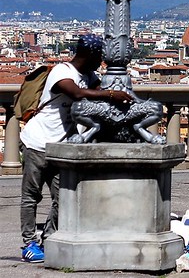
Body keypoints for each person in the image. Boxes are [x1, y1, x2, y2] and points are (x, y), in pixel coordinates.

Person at [19, 34, 132, 263]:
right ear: (87, 54)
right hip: (37, 143)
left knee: (64, 197)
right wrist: (111, 94)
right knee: (31, 196)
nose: (101, 62)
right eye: (99, 56)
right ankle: (29, 243)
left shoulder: (88, 76)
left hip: (62, 147)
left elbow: (98, 91)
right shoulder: (62, 72)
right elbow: (77, 93)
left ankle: (49, 237)